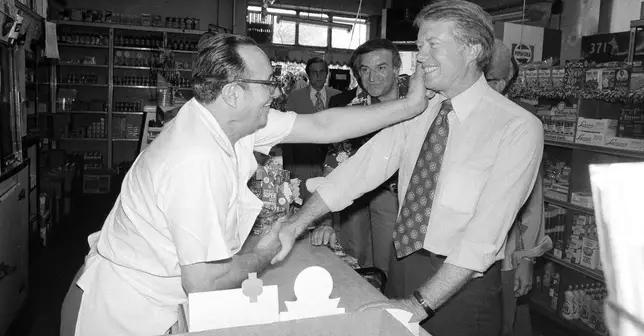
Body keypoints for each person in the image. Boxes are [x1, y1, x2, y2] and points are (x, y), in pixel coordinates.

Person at [60, 33, 430, 336]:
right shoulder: (195, 158)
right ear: (234, 92)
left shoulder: (231, 121)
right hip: (121, 314)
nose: (275, 92)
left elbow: (322, 126)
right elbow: (205, 281)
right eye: (268, 83)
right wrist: (263, 255)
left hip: (157, 301)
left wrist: (410, 107)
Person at [273, 0, 544, 336]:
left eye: (433, 45)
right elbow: (361, 170)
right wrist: (296, 223)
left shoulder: (516, 126)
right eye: (419, 46)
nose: (422, 57)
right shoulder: (420, 109)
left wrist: (417, 305)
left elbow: (484, 237)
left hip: (460, 284)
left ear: (472, 49)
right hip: (401, 263)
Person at [310, 39, 405, 274]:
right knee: (353, 265)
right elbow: (332, 167)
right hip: (355, 201)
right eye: (365, 69)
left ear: (396, 68)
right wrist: (322, 221)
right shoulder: (353, 111)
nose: (372, 77)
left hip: (399, 200)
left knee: (391, 268)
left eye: (381, 68)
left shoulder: (419, 103)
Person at [486, 39, 552, 336]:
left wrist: (526, 259)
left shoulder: (521, 127)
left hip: (502, 255)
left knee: (499, 323)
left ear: (499, 83)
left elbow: (531, 203)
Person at [283, 57, 341, 201]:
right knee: (303, 202)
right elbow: (288, 131)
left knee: (329, 203)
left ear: (327, 74)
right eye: (314, 72)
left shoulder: (338, 96)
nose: (318, 76)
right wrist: (289, 167)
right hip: (303, 162)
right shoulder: (295, 97)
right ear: (308, 75)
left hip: (331, 163)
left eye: (322, 72)